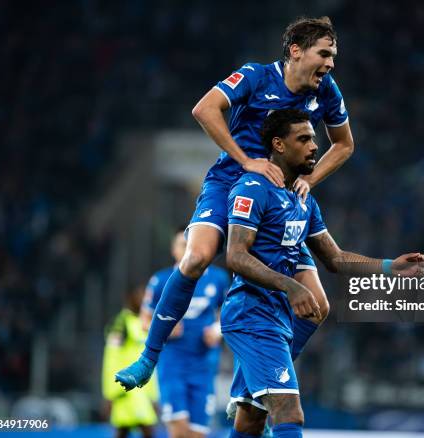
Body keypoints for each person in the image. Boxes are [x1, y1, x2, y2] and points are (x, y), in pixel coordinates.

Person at [116, 16, 355, 391]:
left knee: (320, 306)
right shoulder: (256, 76)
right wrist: (247, 160)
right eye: (324, 54)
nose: (330, 63)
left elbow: (344, 144)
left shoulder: (326, 91)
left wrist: (309, 179)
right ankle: (148, 357)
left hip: (279, 196)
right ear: (295, 51)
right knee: (195, 258)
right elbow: (204, 109)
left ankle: (251, 385)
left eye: (334, 56)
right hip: (229, 180)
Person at [223, 109, 424, 437]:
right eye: (303, 139)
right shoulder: (252, 188)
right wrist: (291, 286)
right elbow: (235, 255)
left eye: (314, 139)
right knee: (290, 412)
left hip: (278, 320)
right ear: (278, 145)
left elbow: (336, 258)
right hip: (252, 316)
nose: (314, 146)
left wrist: (390, 267)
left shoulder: (304, 201)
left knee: (250, 420)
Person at [141, 227, 230, 438]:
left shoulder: (218, 279)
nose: (187, 249)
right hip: (172, 365)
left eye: (190, 243)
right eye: (182, 244)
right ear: (173, 250)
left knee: (197, 434)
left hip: (204, 367)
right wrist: (164, 327)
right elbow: (144, 320)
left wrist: (218, 331)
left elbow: (228, 313)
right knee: (179, 431)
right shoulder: (161, 280)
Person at [102, 285, 158, 438]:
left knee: (124, 431)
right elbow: (111, 357)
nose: (145, 300)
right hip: (125, 389)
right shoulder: (121, 323)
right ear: (131, 299)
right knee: (146, 430)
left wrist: (153, 395)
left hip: (142, 390)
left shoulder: (145, 323)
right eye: (141, 296)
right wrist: (110, 392)